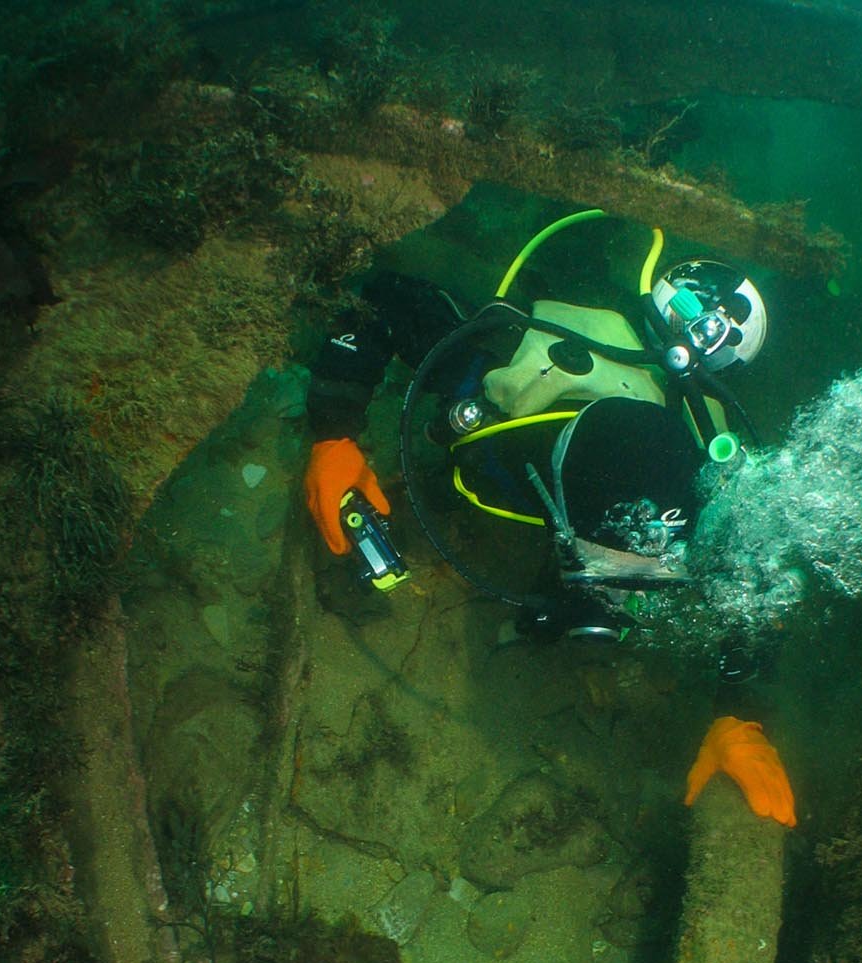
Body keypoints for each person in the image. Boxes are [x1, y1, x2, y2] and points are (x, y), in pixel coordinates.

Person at [303, 209, 796, 827]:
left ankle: (588, 599)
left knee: (720, 537)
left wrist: (738, 716)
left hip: (586, 522)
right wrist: (335, 432)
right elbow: (379, 303)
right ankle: (588, 594)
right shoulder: (539, 346)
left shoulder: (701, 452)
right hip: (533, 476)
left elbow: (752, 577)